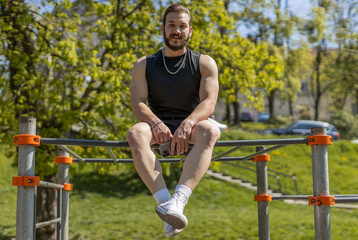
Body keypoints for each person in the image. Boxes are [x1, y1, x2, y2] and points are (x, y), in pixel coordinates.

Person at [127, 4, 220, 238]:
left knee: (210, 130)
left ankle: (178, 202)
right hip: (158, 124)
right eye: (171, 25)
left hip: (192, 124)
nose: (176, 30)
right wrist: (156, 123)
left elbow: (209, 102)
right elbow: (138, 102)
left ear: (190, 31)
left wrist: (188, 124)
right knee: (135, 133)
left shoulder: (204, 63)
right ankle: (168, 206)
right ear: (162, 29)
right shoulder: (144, 64)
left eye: (182, 26)